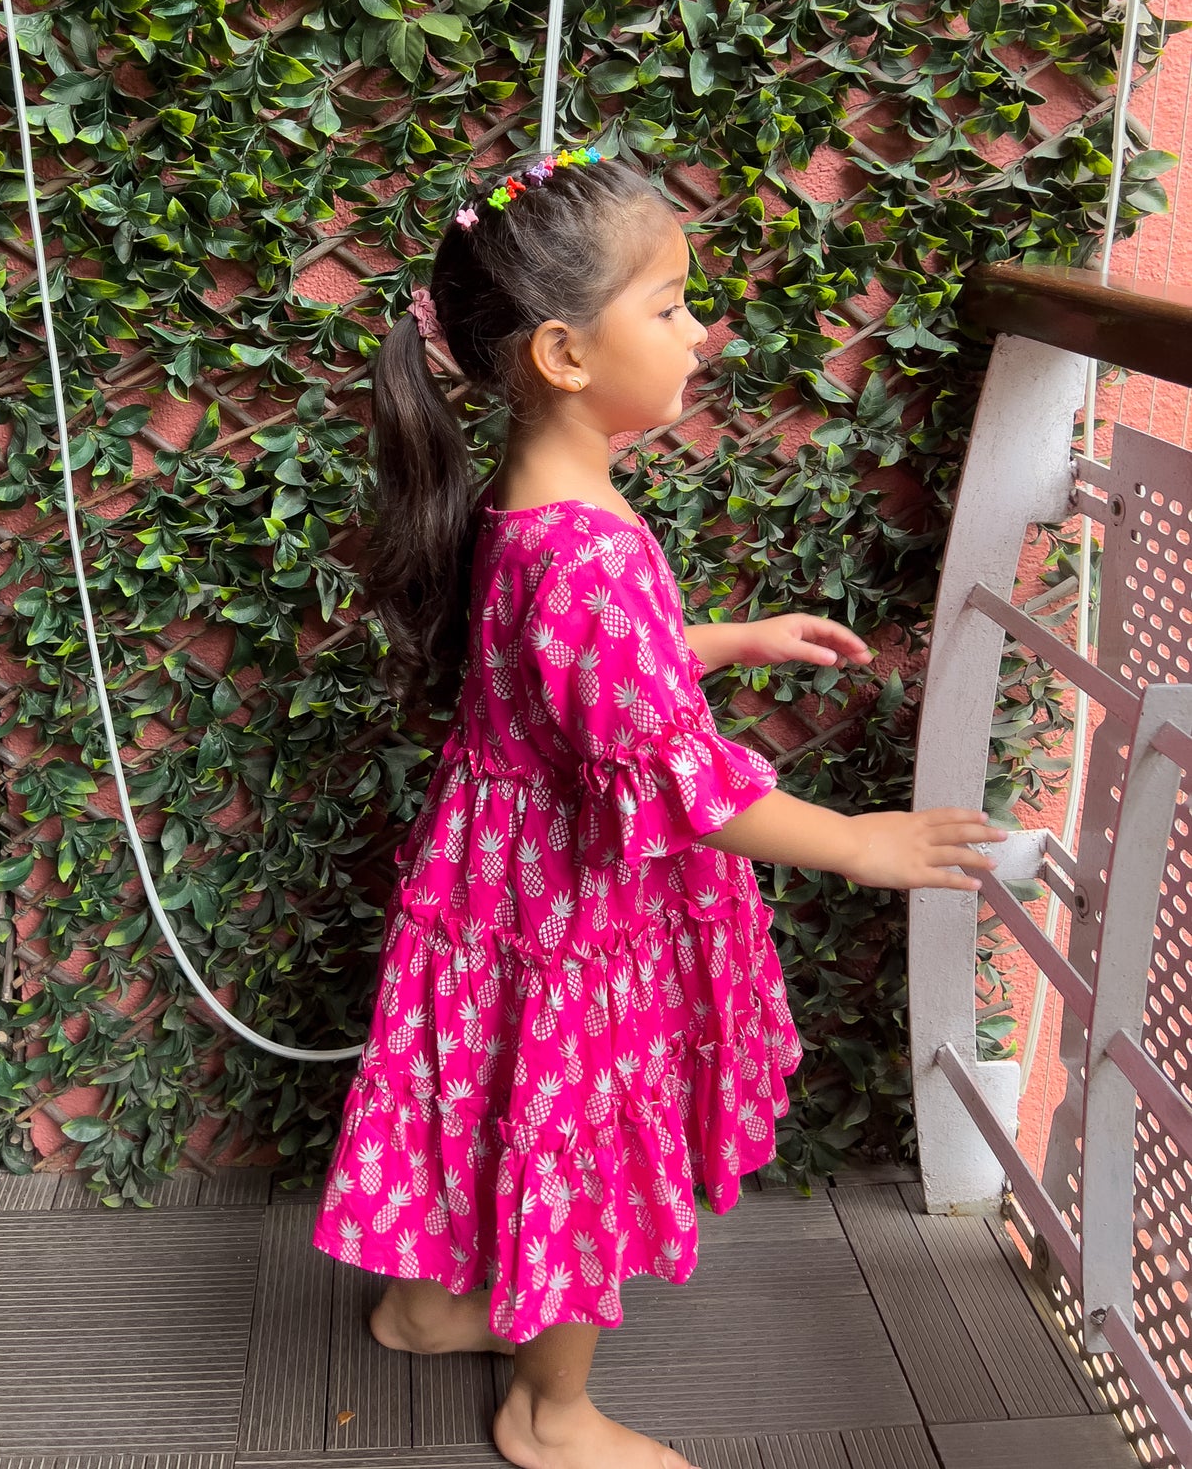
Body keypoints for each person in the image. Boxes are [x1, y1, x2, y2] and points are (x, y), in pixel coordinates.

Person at [312, 148, 1000, 1469]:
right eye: (673, 306)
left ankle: (428, 1302)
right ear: (566, 355)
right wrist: (857, 843)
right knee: (571, 1139)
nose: (701, 332)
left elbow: (568, 683)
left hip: (501, 876)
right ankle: (547, 1413)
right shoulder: (577, 545)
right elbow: (677, 778)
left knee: (500, 1097)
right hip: (571, 903)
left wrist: (725, 640)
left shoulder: (535, 510)